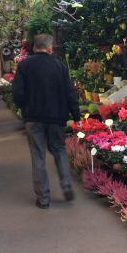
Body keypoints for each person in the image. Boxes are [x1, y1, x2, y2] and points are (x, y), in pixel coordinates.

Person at [12, 34, 80, 209]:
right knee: (59, 150)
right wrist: (76, 115)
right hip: (57, 118)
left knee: (38, 155)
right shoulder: (60, 66)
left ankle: (43, 199)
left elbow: (18, 93)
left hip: (33, 118)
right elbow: (70, 93)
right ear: (50, 48)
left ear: (34, 48)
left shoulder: (24, 65)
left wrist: (24, 107)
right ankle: (66, 185)